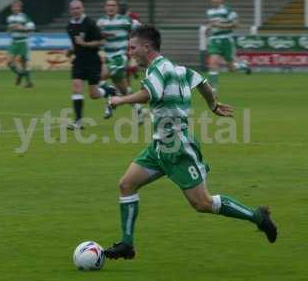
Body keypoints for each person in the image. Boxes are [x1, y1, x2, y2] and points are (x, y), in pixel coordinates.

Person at [104, 25, 277, 260]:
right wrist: (213, 104)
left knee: (203, 203)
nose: (130, 52)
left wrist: (120, 99)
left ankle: (258, 216)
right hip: (159, 147)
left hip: (177, 148)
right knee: (126, 185)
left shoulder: (157, 70)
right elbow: (202, 82)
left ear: (147, 47)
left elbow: (149, 94)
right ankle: (127, 244)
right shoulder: (177, 69)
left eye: (133, 48)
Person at [66, 0, 116, 130]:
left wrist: (85, 44)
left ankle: (110, 91)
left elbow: (101, 41)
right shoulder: (69, 26)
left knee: (93, 95)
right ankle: (78, 122)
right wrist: (71, 50)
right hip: (78, 61)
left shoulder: (90, 23)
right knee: (76, 88)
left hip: (92, 61)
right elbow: (75, 43)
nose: (75, 11)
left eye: (78, 8)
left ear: (82, 9)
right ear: (70, 11)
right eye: (73, 9)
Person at [97, 0, 143, 122]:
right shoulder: (100, 23)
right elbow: (96, 38)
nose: (110, 7)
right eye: (108, 5)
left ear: (117, 8)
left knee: (98, 77)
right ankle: (138, 109)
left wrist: (136, 46)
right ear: (105, 7)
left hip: (120, 58)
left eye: (113, 5)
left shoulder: (125, 21)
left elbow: (140, 28)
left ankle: (110, 100)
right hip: (108, 58)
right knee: (124, 89)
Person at [206, 0, 251, 93]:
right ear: (211, 0)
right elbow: (213, 24)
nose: (215, 0)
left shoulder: (228, 11)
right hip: (214, 40)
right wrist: (209, 27)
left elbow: (236, 24)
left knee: (231, 68)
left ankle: (243, 65)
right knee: (213, 63)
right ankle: (212, 88)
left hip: (226, 39)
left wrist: (221, 25)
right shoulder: (210, 12)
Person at [6, 0, 35, 88]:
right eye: (14, 7)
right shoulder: (9, 18)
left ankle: (29, 83)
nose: (15, 8)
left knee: (24, 63)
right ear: (11, 8)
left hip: (23, 42)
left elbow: (31, 28)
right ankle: (20, 74)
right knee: (9, 62)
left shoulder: (24, 17)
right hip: (14, 42)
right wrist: (9, 30)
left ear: (20, 8)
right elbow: (9, 30)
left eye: (17, 7)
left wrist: (21, 27)